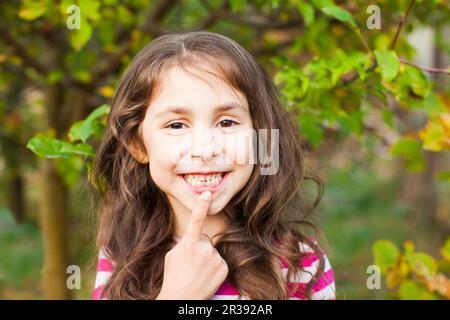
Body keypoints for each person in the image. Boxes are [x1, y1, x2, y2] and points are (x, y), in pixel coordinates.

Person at [91, 31, 336, 300]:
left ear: (262, 138)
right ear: (137, 145)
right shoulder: (119, 257)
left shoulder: (301, 265)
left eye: (227, 123)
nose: (206, 150)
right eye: (176, 125)